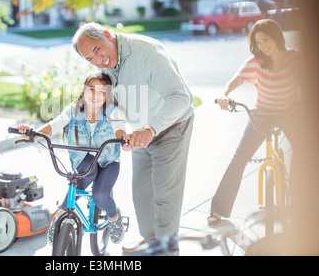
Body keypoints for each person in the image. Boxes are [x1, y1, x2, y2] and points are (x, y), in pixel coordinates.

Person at [71, 22, 194, 253]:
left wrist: (150, 129)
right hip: (140, 133)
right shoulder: (107, 67)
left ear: (108, 35)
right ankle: (151, 243)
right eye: (90, 58)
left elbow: (181, 97)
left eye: (97, 50)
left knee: (165, 199)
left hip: (170, 127)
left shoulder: (147, 53)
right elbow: (111, 103)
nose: (98, 60)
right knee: (141, 194)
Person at [207, 19, 302, 224]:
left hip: (290, 113)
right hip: (262, 113)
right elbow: (235, 80)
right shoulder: (255, 62)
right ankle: (218, 210)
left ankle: (298, 204)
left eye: (265, 39)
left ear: (276, 37)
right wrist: (225, 94)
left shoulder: (294, 57)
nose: (262, 46)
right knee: (239, 158)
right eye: (258, 42)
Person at [17, 72, 127, 244]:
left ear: (108, 95)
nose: (96, 96)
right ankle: (60, 216)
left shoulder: (113, 111)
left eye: (102, 92)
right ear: (84, 90)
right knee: (83, 176)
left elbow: (119, 128)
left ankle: (114, 217)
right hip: (83, 157)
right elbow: (54, 125)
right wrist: (33, 134)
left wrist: (123, 138)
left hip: (108, 159)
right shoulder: (73, 110)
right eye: (92, 89)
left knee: (100, 195)